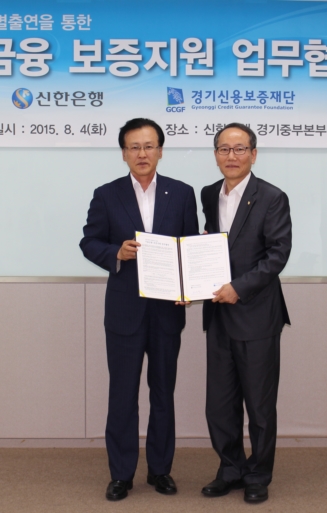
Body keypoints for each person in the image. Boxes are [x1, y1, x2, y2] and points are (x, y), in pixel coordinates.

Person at [80, 118, 199, 501]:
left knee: (163, 392)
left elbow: (189, 248)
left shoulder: (182, 193)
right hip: (124, 312)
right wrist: (115, 252)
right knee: (122, 395)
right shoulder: (106, 194)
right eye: (134, 147)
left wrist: (189, 287)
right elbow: (89, 241)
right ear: (124, 153)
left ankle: (161, 470)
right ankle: (121, 474)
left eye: (149, 146)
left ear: (160, 150)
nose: (142, 153)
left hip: (167, 312)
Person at [200, 123, 292, 503]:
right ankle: (230, 469)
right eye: (224, 149)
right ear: (216, 155)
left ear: (253, 154)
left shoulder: (272, 197)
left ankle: (258, 474)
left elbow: (277, 255)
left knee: (259, 406)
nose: (232, 156)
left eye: (240, 149)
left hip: (256, 316)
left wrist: (238, 287)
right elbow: (209, 245)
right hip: (218, 316)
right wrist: (190, 281)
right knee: (219, 405)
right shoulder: (208, 194)